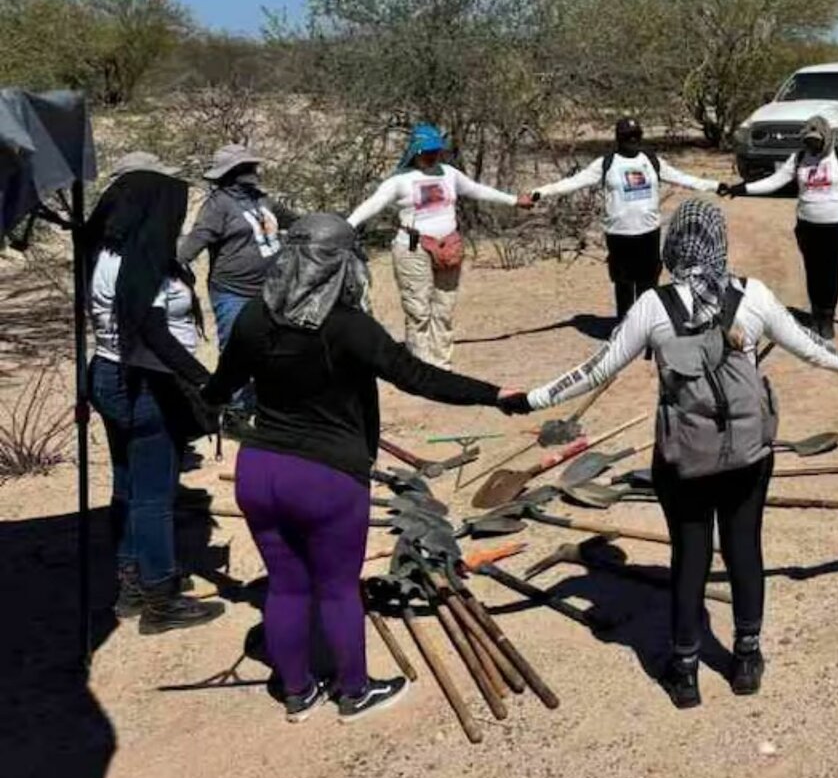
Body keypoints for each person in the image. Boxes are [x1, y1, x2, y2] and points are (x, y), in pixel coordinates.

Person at [519, 199, 838, 708]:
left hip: (683, 457)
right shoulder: (752, 296)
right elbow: (813, 348)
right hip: (747, 453)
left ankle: (685, 670)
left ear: (672, 247)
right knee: (744, 548)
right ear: (719, 243)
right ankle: (746, 659)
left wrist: (529, 400)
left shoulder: (654, 305)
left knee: (689, 556)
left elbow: (597, 368)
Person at [204, 214, 530, 722]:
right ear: (341, 266)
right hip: (326, 476)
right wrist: (494, 395)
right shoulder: (346, 326)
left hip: (260, 469)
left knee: (286, 585)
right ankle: (354, 691)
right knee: (337, 588)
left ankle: (297, 692)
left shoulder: (253, 317)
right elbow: (417, 376)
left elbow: (219, 389)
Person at [84, 168, 226, 634]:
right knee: (154, 496)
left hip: (106, 372)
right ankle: (161, 598)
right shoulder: (141, 261)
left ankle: (130, 583)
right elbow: (153, 331)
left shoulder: (101, 252)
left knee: (126, 485)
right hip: (144, 381)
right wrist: (206, 381)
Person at [347, 124, 534, 367]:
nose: (432, 155)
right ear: (415, 151)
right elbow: (374, 203)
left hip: (449, 246)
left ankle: (442, 363)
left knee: (444, 307)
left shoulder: (449, 173)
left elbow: (476, 190)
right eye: (427, 151)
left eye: (435, 151)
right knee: (418, 310)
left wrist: (513, 200)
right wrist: (347, 225)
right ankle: (421, 366)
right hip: (413, 248)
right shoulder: (399, 181)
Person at [528, 118, 720, 322]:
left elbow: (683, 178)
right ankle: (625, 327)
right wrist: (540, 192)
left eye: (636, 136)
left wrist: (717, 186)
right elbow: (573, 182)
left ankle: (648, 327)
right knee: (623, 284)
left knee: (648, 285)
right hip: (619, 235)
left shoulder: (651, 160)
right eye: (628, 136)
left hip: (648, 233)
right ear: (618, 139)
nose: (633, 140)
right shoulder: (606, 163)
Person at [720, 116, 838, 340]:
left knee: (830, 272)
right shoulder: (799, 157)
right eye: (808, 140)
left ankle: (827, 318)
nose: (812, 145)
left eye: (816, 140)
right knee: (813, 271)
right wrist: (741, 189)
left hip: (835, 225)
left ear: (827, 137)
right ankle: (816, 315)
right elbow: (774, 181)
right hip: (807, 225)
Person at [177, 143, 294, 417]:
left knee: (276, 346)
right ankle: (237, 409)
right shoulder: (217, 206)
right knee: (236, 348)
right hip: (233, 291)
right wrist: (173, 262)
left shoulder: (262, 199)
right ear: (232, 172)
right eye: (248, 167)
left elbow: (294, 220)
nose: (255, 170)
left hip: (272, 289)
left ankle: (270, 403)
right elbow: (195, 242)